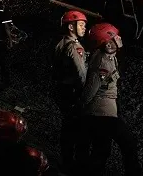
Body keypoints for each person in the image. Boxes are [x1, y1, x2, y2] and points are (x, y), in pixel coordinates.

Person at [78, 22, 142, 176]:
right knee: (128, 143)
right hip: (102, 113)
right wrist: (81, 107)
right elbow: (91, 89)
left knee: (102, 149)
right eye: (115, 38)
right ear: (107, 44)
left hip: (103, 112)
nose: (119, 39)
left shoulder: (109, 57)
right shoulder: (102, 61)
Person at [53, 10, 88, 172]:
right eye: (80, 25)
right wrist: (87, 95)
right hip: (73, 93)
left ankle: (66, 161)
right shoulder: (75, 47)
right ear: (71, 27)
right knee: (78, 129)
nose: (84, 28)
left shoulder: (61, 43)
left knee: (67, 126)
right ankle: (76, 165)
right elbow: (82, 74)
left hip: (62, 90)